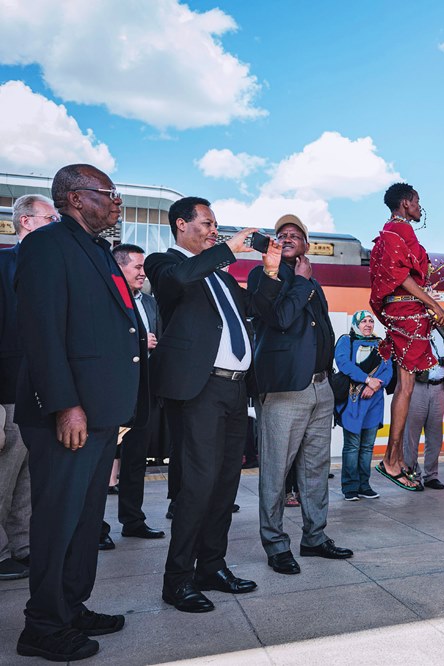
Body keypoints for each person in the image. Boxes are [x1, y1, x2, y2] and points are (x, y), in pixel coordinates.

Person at [14, 165, 147, 661]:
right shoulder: (46, 245)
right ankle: (43, 625)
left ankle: (70, 606)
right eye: (108, 193)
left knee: (86, 520)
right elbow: (42, 330)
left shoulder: (95, 249)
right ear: (74, 197)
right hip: (69, 414)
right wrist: (65, 405)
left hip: (101, 413)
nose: (116, 202)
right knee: (58, 521)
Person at [145, 196, 282, 613]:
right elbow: (178, 281)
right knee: (198, 485)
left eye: (215, 224)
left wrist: (270, 271)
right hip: (198, 388)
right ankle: (177, 580)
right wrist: (227, 250)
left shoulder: (221, 277)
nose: (213, 230)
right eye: (206, 223)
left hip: (234, 390)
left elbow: (258, 310)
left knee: (225, 484)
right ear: (181, 225)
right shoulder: (164, 263)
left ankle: (211, 566)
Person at [249, 214, 352, 576]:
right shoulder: (264, 276)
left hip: (321, 387)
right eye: (282, 234)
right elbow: (280, 318)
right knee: (276, 471)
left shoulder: (312, 282)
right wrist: (303, 282)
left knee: (315, 469)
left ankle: (314, 537)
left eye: (296, 234)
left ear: (307, 245)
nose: (288, 237)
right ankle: (276, 544)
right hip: (284, 388)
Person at [369, 183, 444, 491]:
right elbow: (400, 275)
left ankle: (397, 458)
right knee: (405, 387)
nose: (419, 207)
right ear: (405, 203)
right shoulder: (399, 230)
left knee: (406, 386)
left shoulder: (389, 231)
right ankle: (392, 460)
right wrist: (434, 304)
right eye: (416, 201)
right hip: (406, 311)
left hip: (403, 310)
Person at [0, 194, 55, 582]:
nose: (57, 225)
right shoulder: (4, 263)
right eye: (51, 218)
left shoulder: (52, 267)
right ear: (26, 222)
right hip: (8, 390)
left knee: (29, 477)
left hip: (44, 388)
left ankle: (22, 544)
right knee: (4, 476)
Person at [110, 244, 167, 541]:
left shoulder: (151, 303)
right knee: (103, 461)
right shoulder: (106, 298)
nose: (143, 273)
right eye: (137, 267)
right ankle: (95, 527)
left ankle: (133, 520)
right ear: (119, 267)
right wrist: (140, 344)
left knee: (135, 461)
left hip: (144, 392)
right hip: (113, 391)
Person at [336, 310, 393, 500]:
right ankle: (350, 487)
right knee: (352, 446)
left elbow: (388, 370)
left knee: (367, 446)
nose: (368, 324)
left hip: (374, 401)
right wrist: (367, 380)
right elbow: (344, 363)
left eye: (370, 321)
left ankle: (364, 485)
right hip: (353, 400)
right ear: (356, 324)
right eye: (363, 321)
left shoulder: (381, 344)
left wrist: (374, 386)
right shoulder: (347, 341)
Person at [402, 327, 444, 490]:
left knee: (435, 435)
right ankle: (412, 475)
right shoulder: (416, 329)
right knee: (412, 434)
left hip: (440, 387)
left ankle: (431, 476)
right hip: (418, 385)